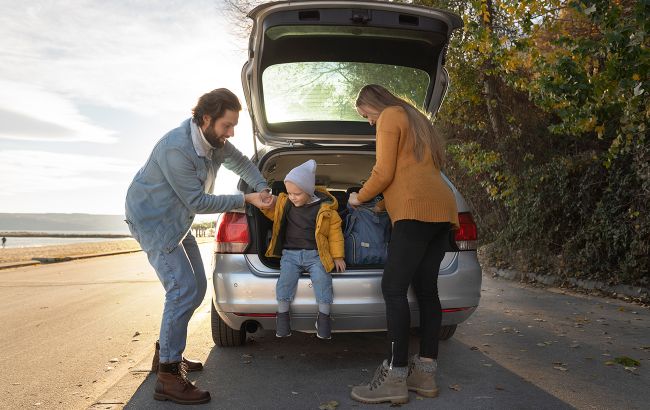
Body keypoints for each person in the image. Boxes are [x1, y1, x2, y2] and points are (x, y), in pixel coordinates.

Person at [124, 88, 274, 405]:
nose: (230, 132)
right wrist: (246, 198)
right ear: (207, 119)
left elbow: (242, 163)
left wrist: (262, 187)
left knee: (198, 287)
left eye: (234, 125)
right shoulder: (176, 149)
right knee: (181, 290)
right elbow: (198, 201)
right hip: (154, 222)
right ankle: (167, 376)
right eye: (227, 125)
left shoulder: (214, 141)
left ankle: (167, 351)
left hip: (178, 218)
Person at [348, 84, 459, 404]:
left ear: (372, 104)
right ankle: (425, 374)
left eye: (365, 114)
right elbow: (412, 175)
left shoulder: (389, 116)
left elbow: (383, 172)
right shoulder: (417, 120)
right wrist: (382, 206)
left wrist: (360, 197)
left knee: (393, 290)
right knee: (427, 292)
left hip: (414, 215)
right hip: (441, 212)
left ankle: (395, 377)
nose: (369, 121)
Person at [261, 159, 346, 340]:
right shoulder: (286, 204)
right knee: (284, 283)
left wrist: (338, 256)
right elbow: (271, 213)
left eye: (297, 193)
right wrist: (263, 203)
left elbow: (335, 234)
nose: (292, 197)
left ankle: (323, 320)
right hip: (290, 255)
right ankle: (283, 319)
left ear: (308, 190)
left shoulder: (326, 209)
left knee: (323, 282)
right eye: (289, 193)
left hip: (316, 255)